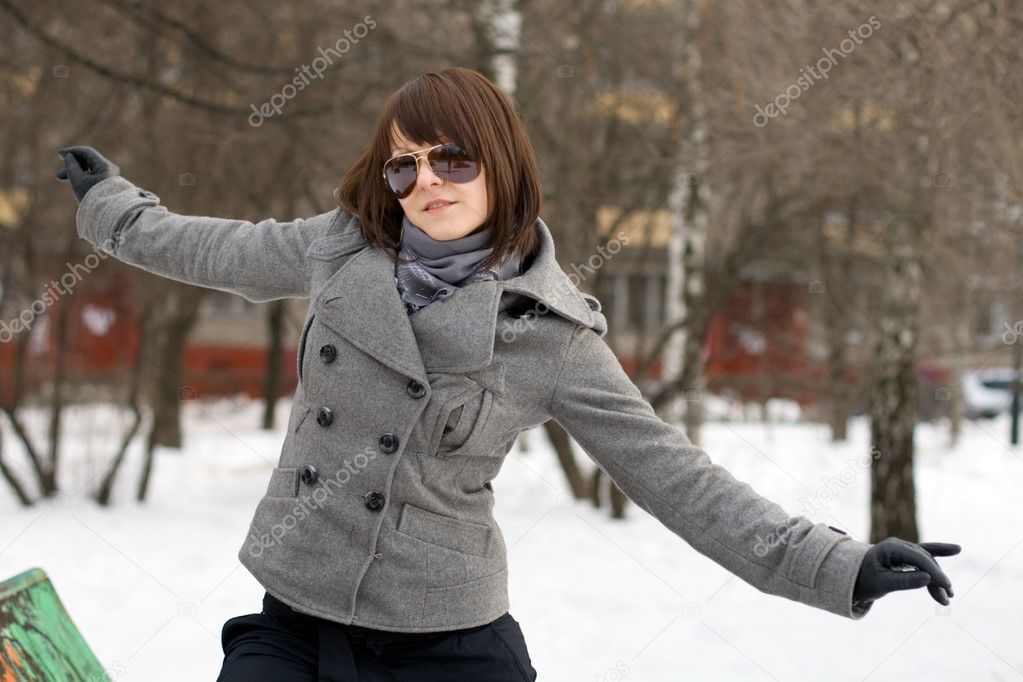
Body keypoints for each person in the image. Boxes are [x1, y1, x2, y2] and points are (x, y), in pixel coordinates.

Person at [57, 67, 960, 681]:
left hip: (444, 639)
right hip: (293, 616)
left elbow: (675, 476)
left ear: (500, 165)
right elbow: (215, 248)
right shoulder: (340, 249)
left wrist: (836, 565)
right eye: (403, 164)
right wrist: (112, 205)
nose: (425, 182)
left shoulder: (549, 332)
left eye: (451, 157)